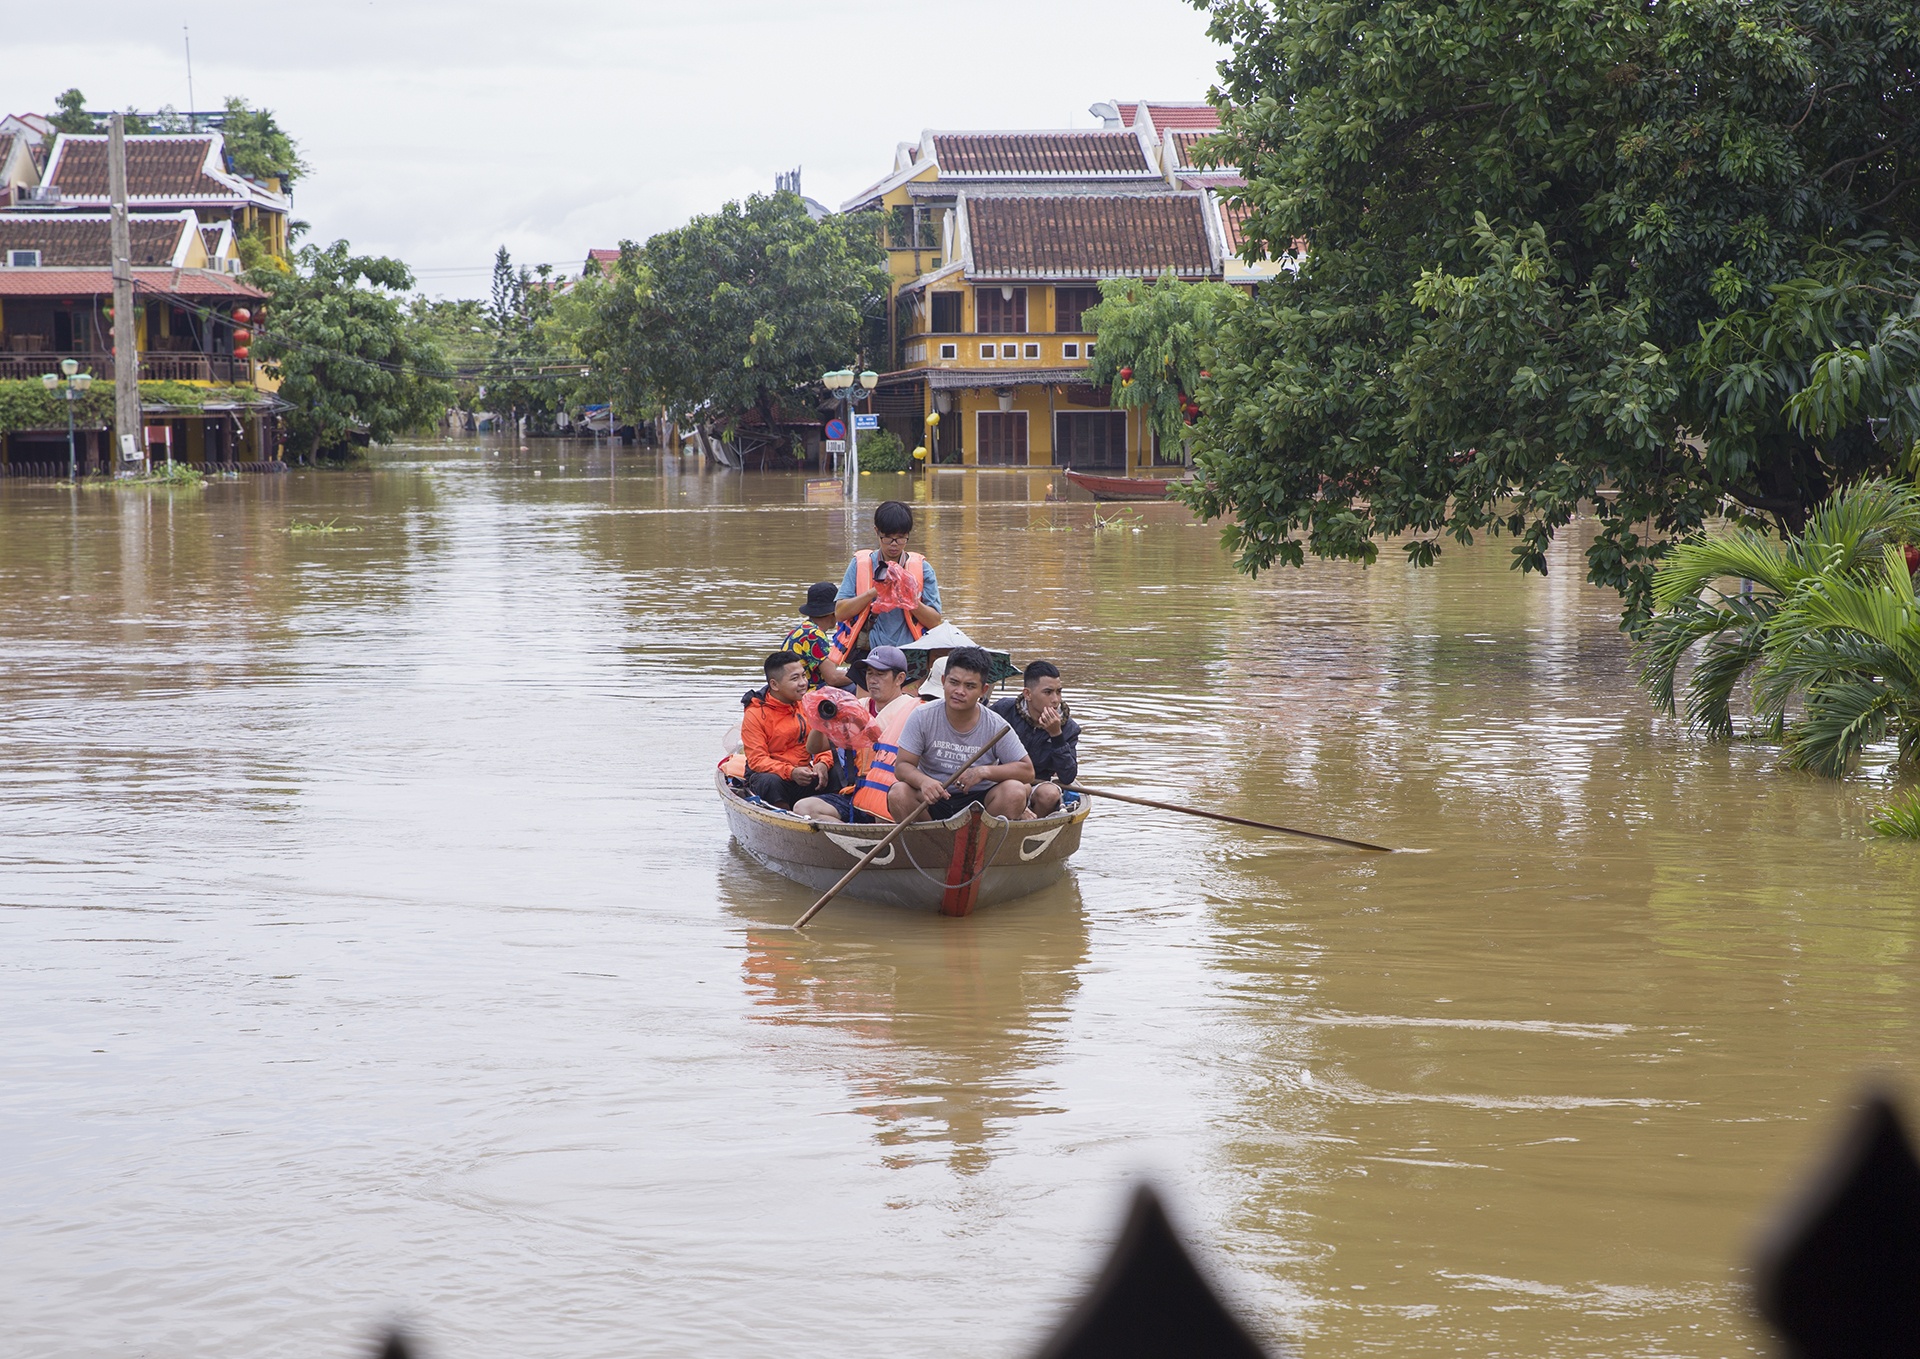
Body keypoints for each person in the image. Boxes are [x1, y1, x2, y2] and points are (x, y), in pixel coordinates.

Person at [890, 646, 1034, 824]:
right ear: (943, 681)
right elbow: (902, 766)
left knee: (1015, 791)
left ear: (983, 690)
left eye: (970, 686)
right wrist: (923, 781)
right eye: (954, 682)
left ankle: (982, 843)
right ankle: (929, 844)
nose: (959, 691)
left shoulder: (995, 724)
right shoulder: (922, 716)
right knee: (898, 793)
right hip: (933, 799)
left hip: (980, 803)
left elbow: (1027, 771)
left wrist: (983, 771)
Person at [794, 646, 918, 824]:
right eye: (869, 673)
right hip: (857, 793)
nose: (872, 680)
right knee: (802, 808)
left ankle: (865, 839)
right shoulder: (857, 706)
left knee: (882, 817)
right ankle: (850, 838)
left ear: (899, 678)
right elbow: (813, 748)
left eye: (880, 674)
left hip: (889, 796)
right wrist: (822, 719)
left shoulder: (913, 711)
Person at [828, 500, 944, 668]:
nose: (894, 545)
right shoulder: (860, 564)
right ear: (877, 532)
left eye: (901, 538)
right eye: (888, 538)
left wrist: (908, 599)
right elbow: (840, 613)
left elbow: (934, 621)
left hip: (911, 657)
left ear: (908, 534)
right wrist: (875, 591)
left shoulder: (923, 569)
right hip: (869, 655)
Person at [740, 651, 833, 809]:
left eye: (804, 676)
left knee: (837, 771)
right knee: (770, 782)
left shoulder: (808, 704)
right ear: (774, 685)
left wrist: (823, 763)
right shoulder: (754, 714)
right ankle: (784, 814)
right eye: (795, 678)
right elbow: (757, 760)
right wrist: (791, 772)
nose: (803, 683)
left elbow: (825, 742)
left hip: (804, 773)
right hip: (775, 777)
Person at [992, 660, 1081, 816]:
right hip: (998, 780)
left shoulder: (1069, 728)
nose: (1055, 700)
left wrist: (1056, 735)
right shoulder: (1003, 711)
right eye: (1048, 692)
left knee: (1050, 794)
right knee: (1013, 793)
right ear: (1028, 694)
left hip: (1038, 784)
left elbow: (1067, 776)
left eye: (1058, 692)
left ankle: (1034, 825)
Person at [782, 582, 850, 690]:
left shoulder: (801, 630)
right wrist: (864, 676)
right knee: (860, 686)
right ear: (834, 612)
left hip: (793, 690)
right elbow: (833, 678)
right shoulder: (814, 635)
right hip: (806, 693)